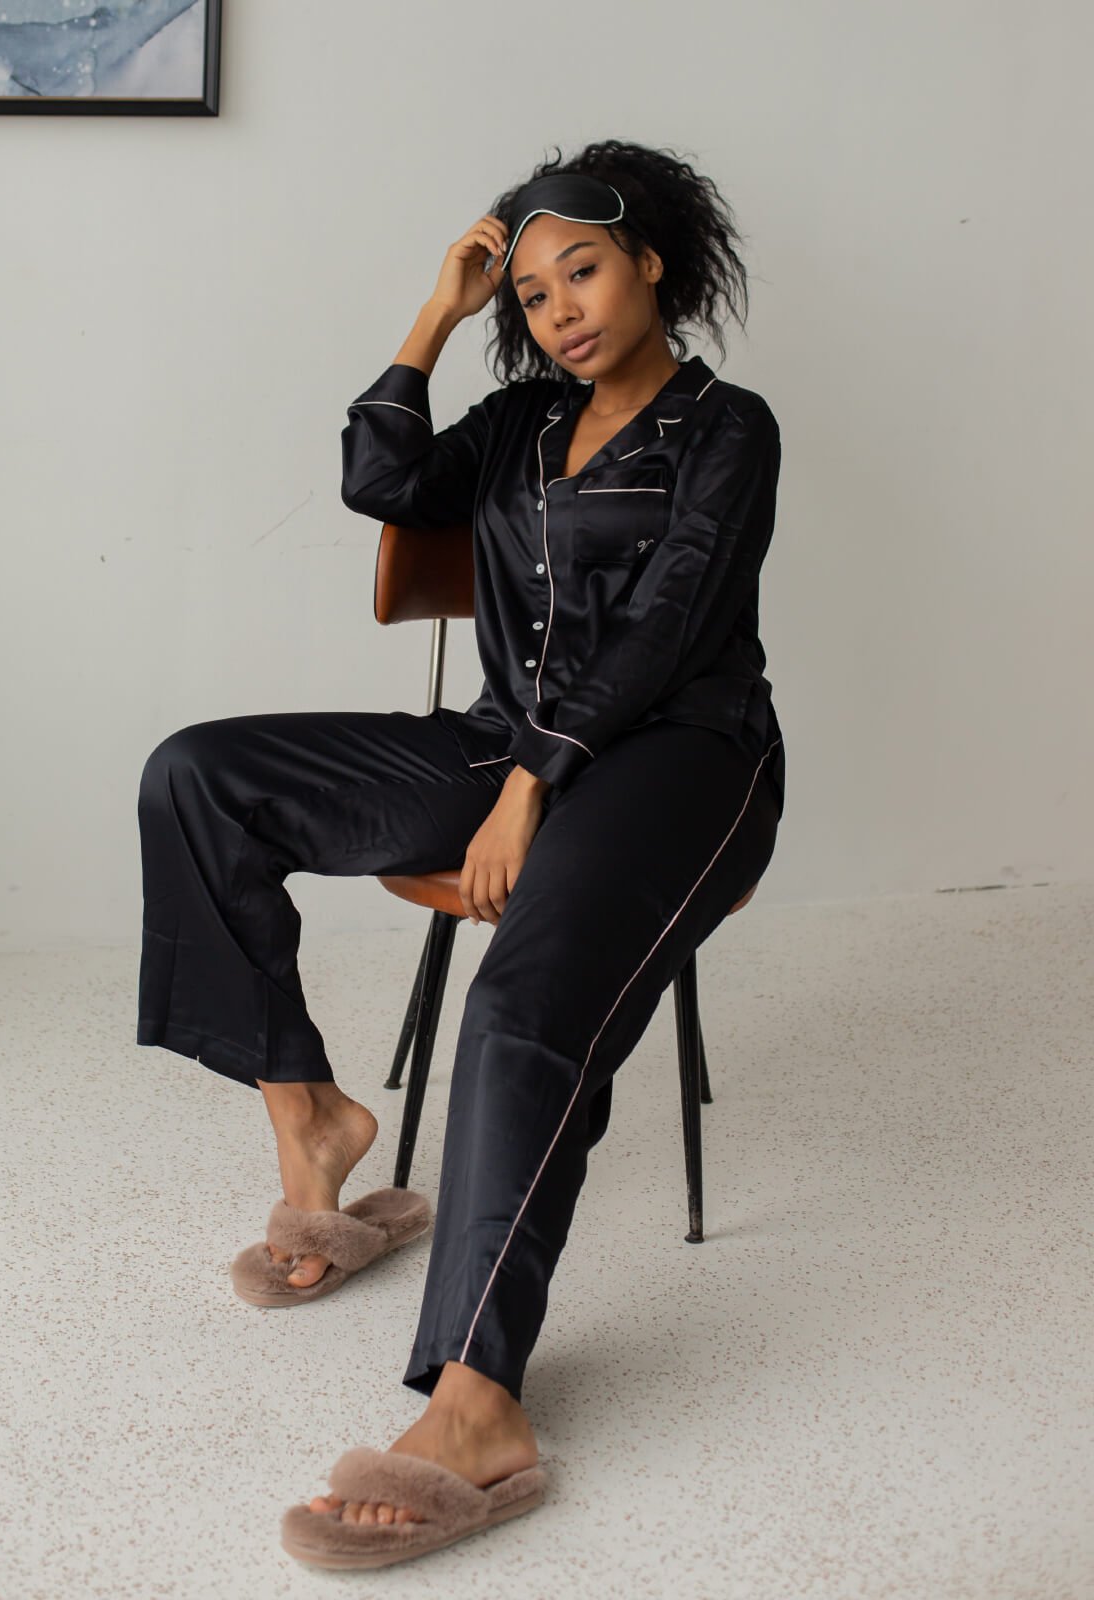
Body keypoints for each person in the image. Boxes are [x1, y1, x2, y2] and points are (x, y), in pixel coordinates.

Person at [136, 138, 787, 1566]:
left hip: (684, 761)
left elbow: (676, 625)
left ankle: (480, 1403)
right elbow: (381, 481)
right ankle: (313, 1121)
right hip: (504, 746)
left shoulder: (730, 426)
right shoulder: (512, 423)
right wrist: (436, 314)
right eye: (535, 287)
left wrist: (535, 787)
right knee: (198, 776)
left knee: (518, 1008)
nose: (558, 306)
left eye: (586, 269)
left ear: (653, 263)